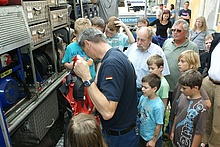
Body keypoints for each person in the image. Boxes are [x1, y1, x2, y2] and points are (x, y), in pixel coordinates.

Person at [74, 28, 139, 147]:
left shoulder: (112, 64)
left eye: (84, 50)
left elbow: (108, 112)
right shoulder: (115, 56)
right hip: (123, 130)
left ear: (88, 43)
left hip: (120, 137)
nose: (86, 54)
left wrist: (86, 77)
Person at [163, 50, 211, 141]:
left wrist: (192, 106)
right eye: (179, 61)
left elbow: (207, 103)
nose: (179, 64)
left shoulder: (192, 81)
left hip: (185, 119)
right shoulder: (183, 76)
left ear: (192, 63)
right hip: (177, 113)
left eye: (183, 61)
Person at [163, 19, 199, 136]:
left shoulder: (192, 47)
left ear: (186, 32)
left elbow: (195, 68)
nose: (175, 32)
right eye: (173, 30)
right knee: (162, 110)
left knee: (177, 111)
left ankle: (172, 132)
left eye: (178, 30)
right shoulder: (167, 43)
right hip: (165, 85)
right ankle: (161, 132)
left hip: (181, 88)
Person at [124, 27, 170, 99]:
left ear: (150, 40)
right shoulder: (132, 48)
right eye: (138, 39)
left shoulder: (158, 51)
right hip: (130, 90)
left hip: (147, 93)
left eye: (142, 40)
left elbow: (162, 75)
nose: (139, 43)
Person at [170, 69, 207, 147]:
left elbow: (199, 132)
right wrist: (173, 131)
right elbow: (177, 115)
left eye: (184, 88)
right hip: (177, 141)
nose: (181, 90)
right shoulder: (182, 96)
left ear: (195, 88)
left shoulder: (202, 108)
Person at [202, 32, 220, 147]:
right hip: (209, 82)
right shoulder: (217, 38)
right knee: (205, 117)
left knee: (217, 123)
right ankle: (203, 142)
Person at [138, 73, 164, 147]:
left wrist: (153, 140)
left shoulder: (158, 106)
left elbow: (159, 125)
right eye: (142, 86)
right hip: (142, 134)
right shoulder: (143, 98)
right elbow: (139, 112)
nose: (142, 89)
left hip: (152, 138)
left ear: (154, 89)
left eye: (145, 88)